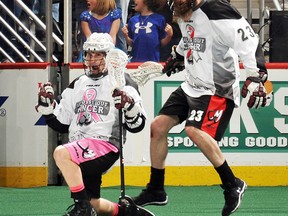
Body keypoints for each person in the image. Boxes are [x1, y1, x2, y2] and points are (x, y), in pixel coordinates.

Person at [132, 0, 271, 216]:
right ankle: (156, 189)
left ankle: (232, 183)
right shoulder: (180, 7)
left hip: (218, 88)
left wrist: (255, 75)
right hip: (192, 85)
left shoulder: (216, 9)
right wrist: (177, 56)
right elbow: (190, 37)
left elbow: (248, 40)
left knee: (194, 130)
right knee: (158, 127)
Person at [35, 32, 149, 216]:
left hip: (105, 145)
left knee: (61, 153)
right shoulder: (78, 83)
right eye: (89, 54)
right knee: (95, 202)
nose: (92, 59)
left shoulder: (122, 81)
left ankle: (82, 208)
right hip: (80, 146)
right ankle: (124, 212)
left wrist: (129, 107)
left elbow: (138, 125)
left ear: (108, 57)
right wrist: (47, 107)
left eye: (98, 55)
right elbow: (61, 123)